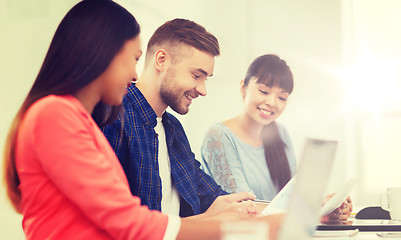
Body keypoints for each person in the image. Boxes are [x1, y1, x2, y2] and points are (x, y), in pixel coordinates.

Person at [3, 1, 280, 239]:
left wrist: (255, 215)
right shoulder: (60, 115)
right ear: (103, 55)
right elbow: (129, 224)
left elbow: (204, 199)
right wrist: (238, 226)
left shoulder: (166, 129)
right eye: (132, 59)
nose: (135, 74)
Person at [102, 18, 236, 217]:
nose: (203, 90)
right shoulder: (113, 118)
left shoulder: (173, 128)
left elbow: (212, 196)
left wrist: (257, 209)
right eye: (197, 76)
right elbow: (111, 216)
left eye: (206, 79)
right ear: (162, 60)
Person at [201, 54, 352, 220]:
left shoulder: (280, 134)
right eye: (264, 91)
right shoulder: (219, 136)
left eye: (282, 97)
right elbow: (242, 208)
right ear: (243, 87)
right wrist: (311, 210)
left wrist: (323, 208)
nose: (272, 102)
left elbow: (293, 197)